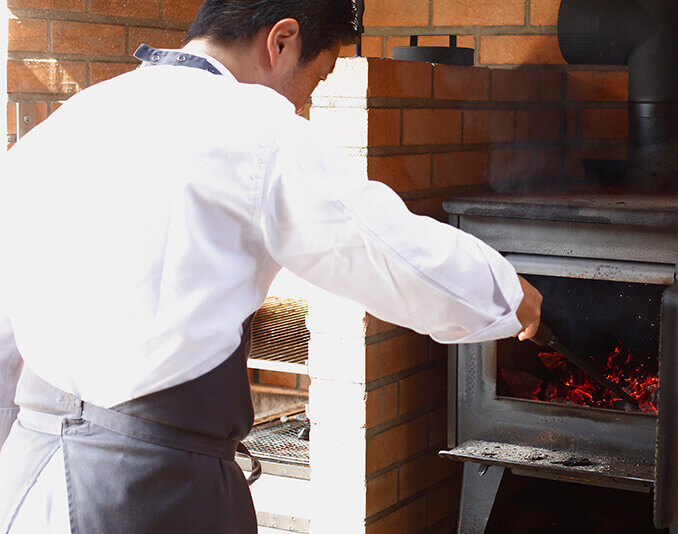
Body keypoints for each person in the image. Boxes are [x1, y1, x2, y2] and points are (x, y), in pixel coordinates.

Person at [0, 0, 543, 531]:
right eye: (320, 75)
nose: (308, 101)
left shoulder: (73, 118)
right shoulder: (253, 126)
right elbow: (381, 246)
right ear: (281, 41)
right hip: (146, 493)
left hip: (27, 475)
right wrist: (504, 292)